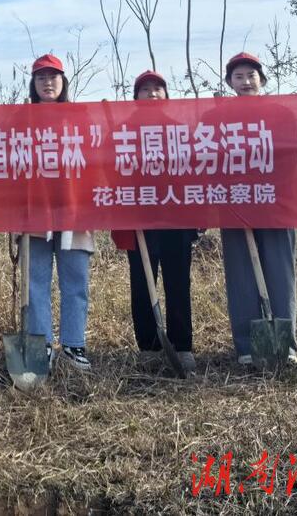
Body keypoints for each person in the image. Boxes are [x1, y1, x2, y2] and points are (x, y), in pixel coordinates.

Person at [111, 70, 198, 372]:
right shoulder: (123, 132)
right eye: (145, 90)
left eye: (157, 89)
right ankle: (148, 345)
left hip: (176, 217)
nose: (151, 94)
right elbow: (112, 171)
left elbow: (193, 172)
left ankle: (182, 344)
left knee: (178, 281)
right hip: (138, 218)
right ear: (135, 97)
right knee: (142, 282)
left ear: (166, 95)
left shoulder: (179, 130)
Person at [219, 52, 297, 367]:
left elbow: (292, 158)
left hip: (276, 203)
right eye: (238, 76)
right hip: (235, 205)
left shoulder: (282, 113)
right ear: (230, 83)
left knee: (280, 273)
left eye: (251, 75)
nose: (245, 81)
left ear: (262, 80)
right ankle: (248, 345)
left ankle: (284, 343)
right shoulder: (219, 116)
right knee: (241, 277)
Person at [25, 53, 95, 371]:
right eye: (41, 77)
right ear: (34, 84)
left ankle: (73, 344)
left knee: (75, 280)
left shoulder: (79, 117)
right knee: (36, 281)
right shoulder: (21, 120)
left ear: (63, 82)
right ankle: (41, 345)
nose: (48, 82)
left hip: (75, 212)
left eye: (53, 77)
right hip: (34, 213)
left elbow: (98, 159)